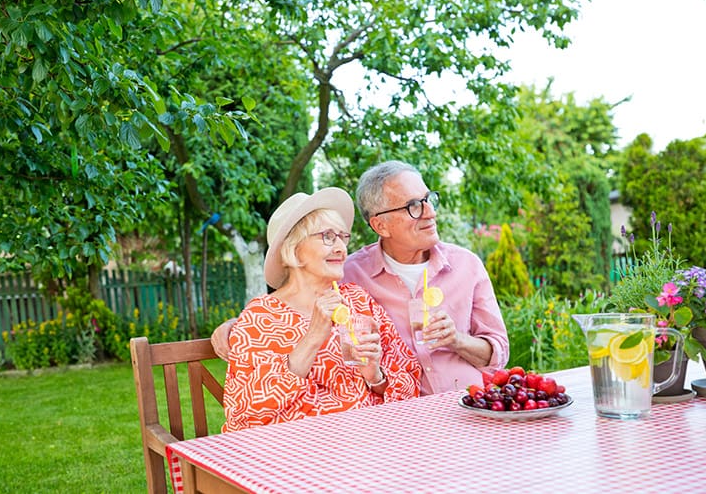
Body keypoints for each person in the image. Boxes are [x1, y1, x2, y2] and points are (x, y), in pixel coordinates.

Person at [213, 161, 508, 395]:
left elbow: (498, 354)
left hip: (469, 403)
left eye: (429, 199)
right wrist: (236, 326)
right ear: (380, 225)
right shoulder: (351, 274)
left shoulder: (466, 265)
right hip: (401, 423)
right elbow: (293, 302)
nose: (429, 212)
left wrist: (456, 340)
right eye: (413, 206)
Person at [222, 187, 421, 432]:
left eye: (343, 237)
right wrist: (314, 336)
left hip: (370, 441)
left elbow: (410, 375)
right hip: (297, 452)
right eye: (328, 236)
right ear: (293, 249)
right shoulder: (261, 318)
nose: (341, 248)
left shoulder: (358, 301)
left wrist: (375, 376)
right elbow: (244, 412)